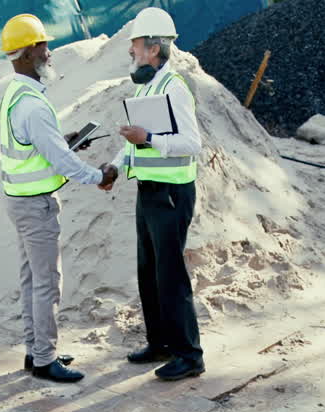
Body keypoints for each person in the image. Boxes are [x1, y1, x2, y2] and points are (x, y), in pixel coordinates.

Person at [0, 13, 118, 383]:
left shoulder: (15, 93)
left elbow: (36, 147)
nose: (49, 53)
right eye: (43, 46)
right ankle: (45, 360)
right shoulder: (33, 105)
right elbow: (62, 161)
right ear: (28, 52)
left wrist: (58, 141)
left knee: (31, 280)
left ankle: (36, 350)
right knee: (47, 283)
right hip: (34, 206)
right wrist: (99, 176)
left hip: (19, 201)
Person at [100, 8, 205, 381]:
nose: (133, 53)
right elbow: (138, 147)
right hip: (149, 193)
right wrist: (116, 167)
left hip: (172, 194)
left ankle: (189, 355)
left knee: (170, 273)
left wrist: (148, 139)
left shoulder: (174, 86)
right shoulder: (147, 87)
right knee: (149, 270)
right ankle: (159, 342)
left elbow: (191, 143)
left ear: (156, 47)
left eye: (137, 48)